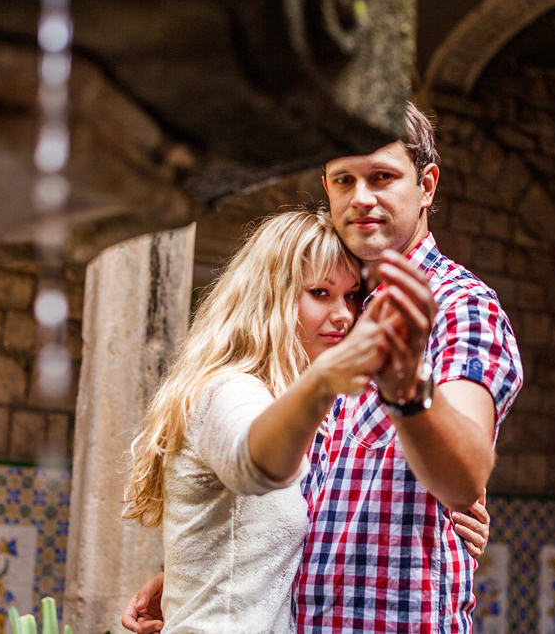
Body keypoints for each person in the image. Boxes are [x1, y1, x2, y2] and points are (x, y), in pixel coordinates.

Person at [125, 101, 522, 633]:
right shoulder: (341, 314)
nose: (361, 198)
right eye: (343, 180)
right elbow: (296, 493)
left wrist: (407, 391)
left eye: (382, 177)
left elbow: (464, 476)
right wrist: (207, 576)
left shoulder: (457, 304)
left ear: (427, 185)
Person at [122, 209, 396, 632]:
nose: (344, 314)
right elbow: (253, 465)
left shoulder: (278, 398)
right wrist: (323, 384)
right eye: (321, 293)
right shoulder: (229, 390)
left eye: (351, 295)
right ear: (272, 297)